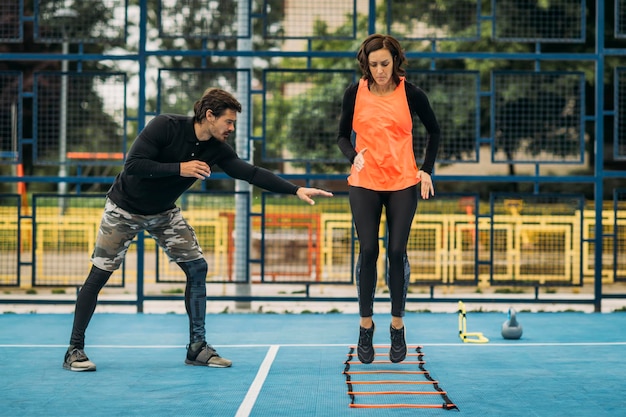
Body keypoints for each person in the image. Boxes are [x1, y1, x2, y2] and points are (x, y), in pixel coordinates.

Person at [63, 87, 333, 372]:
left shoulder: (215, 147)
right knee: (100, 273)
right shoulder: (165, 126)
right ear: (209, 115)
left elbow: (249, 172)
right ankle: (74, 349)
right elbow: (133, 165)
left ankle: (197, 348)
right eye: (228, 122)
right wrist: (180, 168)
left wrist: (296, 189)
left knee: (197, 267)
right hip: (124, 209)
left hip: (163, 213)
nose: (231, 128)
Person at [337, 34, 440, 364]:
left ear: (396, 61)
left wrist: (426, 169)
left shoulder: (411, 93)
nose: (379, 70)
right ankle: (365, 326)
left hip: (403, 182)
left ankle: (397, 326)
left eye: (385, 63)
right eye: (373, 64)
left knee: (397, 251)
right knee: (369, 249)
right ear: (365, 64)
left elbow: (434, 131)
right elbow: (341, 135)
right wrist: (353, 156)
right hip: (365, 181)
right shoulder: (355, 93)